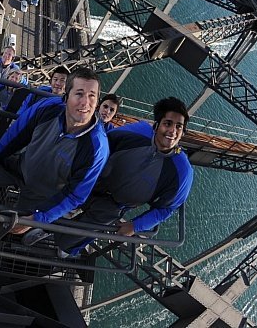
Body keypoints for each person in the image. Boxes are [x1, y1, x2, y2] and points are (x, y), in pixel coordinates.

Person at [36, 96, 194, 254]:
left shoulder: (182, 171)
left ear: (183, 132)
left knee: (75, 237)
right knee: (58, 204)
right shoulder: (138, 132)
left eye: (179, 127)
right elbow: (103, 143)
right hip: (91, 183)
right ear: (156, 125)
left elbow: (166, 208)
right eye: (168, 123)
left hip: (114, 206)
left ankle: (63, 249)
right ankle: (42, 228)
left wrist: (135, 226)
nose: (173, 131)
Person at [0, 67, 108, 233]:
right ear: (66, 96)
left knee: (8, 227)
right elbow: (16, 135)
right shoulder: (48, 108)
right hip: (20, 167)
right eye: (79, 94)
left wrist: (38, 218)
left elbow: (76, 194)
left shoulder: (96, 148)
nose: (85, 102)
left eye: (92, 96)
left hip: (41, 194)